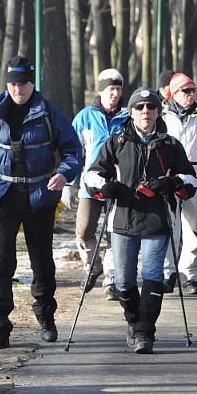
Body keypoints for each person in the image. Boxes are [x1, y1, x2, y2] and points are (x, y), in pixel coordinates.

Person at [0, 55, 82, 349]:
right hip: (3, 195)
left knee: (42, 262)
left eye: (23, 84)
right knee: (2, 262)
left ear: (31, 83)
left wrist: (64, 174)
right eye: (13, 84)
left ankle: (45, 316)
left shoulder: (48, 113)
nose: (18, 90)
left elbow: (73, 150)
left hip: (40, 197)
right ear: (8, 84)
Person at [84, 87, 197, 354]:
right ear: (131, 112)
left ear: (158, 111)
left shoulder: (170, 144)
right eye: (139, 107)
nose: (145, 111)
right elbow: (92, 175)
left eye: (150, 107)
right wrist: (107, 187)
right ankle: (134, 320)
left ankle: (145, 331)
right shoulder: (116, 142)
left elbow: (191, 180)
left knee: (153, 276)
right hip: (123, 220)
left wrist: (171, 182)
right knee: (123, 281)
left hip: (157, 219)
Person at [62, 68, 130, 301]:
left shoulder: (128, 118)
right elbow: (73, 152)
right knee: (83, 231)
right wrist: (69, 183)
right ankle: (93, 266)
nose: (115, 93)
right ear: (101, 91)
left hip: (119, 185)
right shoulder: (84, 117)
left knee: (115, 233)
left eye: (118, 89)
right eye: (111, 89)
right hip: (89, 185)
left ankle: (111, 279)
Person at [160, 72, 197, 295]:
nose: (190, 95)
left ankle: (190, 275)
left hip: (196, 176)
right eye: (185, 91)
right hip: (168, 177)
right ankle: (168, 272)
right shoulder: (161, 115)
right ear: (174, 92)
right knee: (169, 226)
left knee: (192, 227)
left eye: (193, 90)